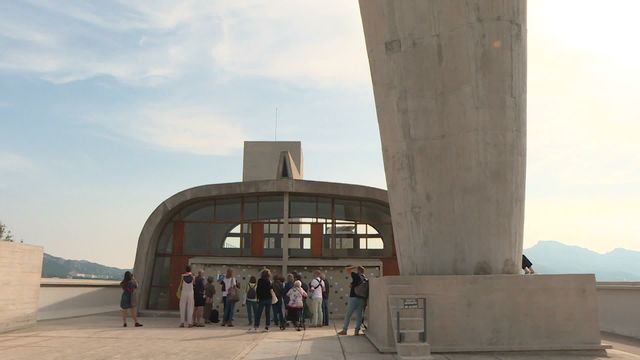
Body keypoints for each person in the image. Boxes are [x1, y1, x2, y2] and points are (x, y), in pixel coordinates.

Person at [338, 265, 366, 336]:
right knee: (359, 315)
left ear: (358, 270)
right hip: (362, 299)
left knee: (348, 314)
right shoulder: (364, 278)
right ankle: (357, 331)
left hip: (353, 298)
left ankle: (344, 330)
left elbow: (347, 269)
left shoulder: (356, 275)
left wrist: (354, 266)